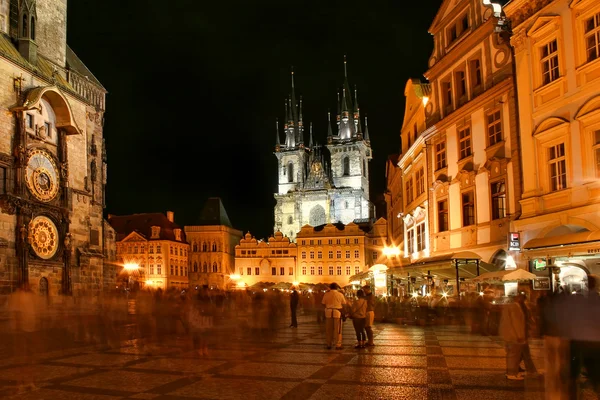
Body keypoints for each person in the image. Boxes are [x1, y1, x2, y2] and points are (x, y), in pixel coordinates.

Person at [499, 293, 538, 380]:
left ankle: (513, 372)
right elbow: (517, 323)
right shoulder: (515, 307)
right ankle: (512, 373)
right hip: (514, 335)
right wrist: (520, 335)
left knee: (513, 354)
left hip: (511, 334)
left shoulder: (510, 306)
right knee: (513, 355)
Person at [322, 283, 346, 350]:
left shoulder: (326, 294)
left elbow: (323, 303)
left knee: (328, 329)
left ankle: (329, 344)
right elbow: (344, 303)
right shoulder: (340, 294)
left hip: (328, 312)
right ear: (337, 288)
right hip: (337, 312)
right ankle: (338, 344)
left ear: (330, 287)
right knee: (337, 329)